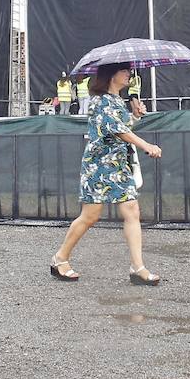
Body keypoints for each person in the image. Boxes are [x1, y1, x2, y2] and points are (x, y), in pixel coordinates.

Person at [50, 63, 163, 285]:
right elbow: (116, 130)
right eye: (125, 71)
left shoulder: (117, 100)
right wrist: (146, 145)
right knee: (90, 216)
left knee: (132, 210)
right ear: (112, 75)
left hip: (119, 167)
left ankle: (137, 268)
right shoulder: (100, 101)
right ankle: (60, 258)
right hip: (98, 167)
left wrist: (136, 116)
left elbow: (124, 125)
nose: (129, 74)